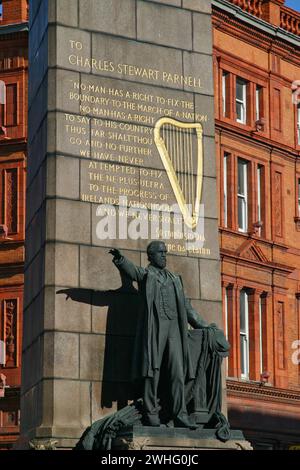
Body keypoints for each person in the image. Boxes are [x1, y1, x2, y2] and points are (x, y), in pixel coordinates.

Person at [109, 241, 217, 429]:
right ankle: (151, 414)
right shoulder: (147, 275)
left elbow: (186, 306)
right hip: (156, 329)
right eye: (160, 253)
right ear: (150, 256)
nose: (164, 256)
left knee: (177, 371)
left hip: (175, 329)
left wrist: (204, 326)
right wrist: (120, 259)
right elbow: (133, 271)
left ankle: (180, 414)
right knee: (153, 370)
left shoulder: (174, 279)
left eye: (165, 253)